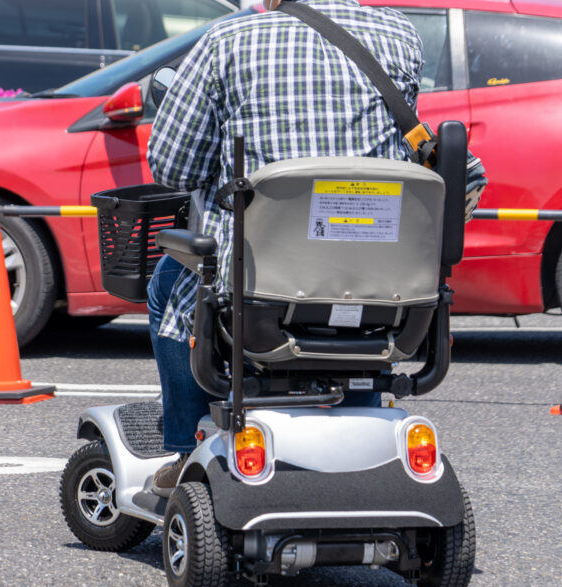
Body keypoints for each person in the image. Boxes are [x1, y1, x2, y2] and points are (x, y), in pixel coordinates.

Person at [145, 0, 485, 493]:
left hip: (262, 293)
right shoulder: (399, 35)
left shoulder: (227, 42)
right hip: (380, 287)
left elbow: (173, 168)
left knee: (166, 283)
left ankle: (185, 447)